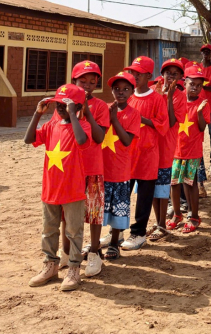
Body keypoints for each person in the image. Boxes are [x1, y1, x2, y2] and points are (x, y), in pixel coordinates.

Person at [25, 84, 91, 291]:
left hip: (73, 189)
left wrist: (74, 115)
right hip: (50, 189)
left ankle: (73, 268)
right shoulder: (51, 125)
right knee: (48, 229)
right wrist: (37, 115)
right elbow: (28, 139)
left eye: (66, 105)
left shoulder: (83, 126)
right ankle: (50, 264)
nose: (60, 108)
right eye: (58, 104)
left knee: (74, 230)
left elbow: (82, 141)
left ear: (77, 106)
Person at [50, 61, 108, 277]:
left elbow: (99, 137)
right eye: (82, 81)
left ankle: (94, 253)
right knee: (67, 214)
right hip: (69, 168)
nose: (87, 85)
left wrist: (86, 111)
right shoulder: (62, 105)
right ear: (73, 81)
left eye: (92, 82)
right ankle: (66, 253)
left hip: (92, 166)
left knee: (93, 213)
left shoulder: (100, 106)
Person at [123, 57, 168, 250]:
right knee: (122, 195)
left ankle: (138, 233)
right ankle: (115, 231)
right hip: (127, 155)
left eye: (139, 73)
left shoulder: (157, 99)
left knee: (144, 196)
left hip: (148, 155)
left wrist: (142, 119)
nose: (134, 76)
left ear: (149, 75)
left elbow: (163, 126)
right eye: (132, 72)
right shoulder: (128, 97)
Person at [100, 73, 141, 260]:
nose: (121, 92)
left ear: (132, 91)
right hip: (102, 167)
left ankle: (115, 241)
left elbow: (126, 141)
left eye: (126, 89)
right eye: (117, 89)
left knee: (119, 208)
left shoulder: (134, 114)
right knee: (102, 208)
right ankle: (100, 241)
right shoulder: (103, 109)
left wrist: (114, 119)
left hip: (120, 169)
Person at [169, 64, 210, 233]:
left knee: (190, 183)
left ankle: (194, 216)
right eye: (192, 84)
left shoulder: (203, 103)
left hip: (193, 151)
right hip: (176, 149)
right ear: (184, 82)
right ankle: (177, 214)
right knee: (174, 183)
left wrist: (200, 113)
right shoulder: (177, 99)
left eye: (199, 85)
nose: (196, 88)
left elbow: (202, 128)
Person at [149, 59, 187, 242]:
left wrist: (169, 97)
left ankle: (162, 225)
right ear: (162, 73)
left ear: (180, 77)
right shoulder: (153, 90)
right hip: (149, 144)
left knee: (162, 187)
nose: (171, 76)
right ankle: (158, 222)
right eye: (168, 72)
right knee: (151, 186)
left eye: (175, 73)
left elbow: (171, 122)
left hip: (166, 145)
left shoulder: (180, 96)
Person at [198, 44, 211, 197]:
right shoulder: (198, 67)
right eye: (204, 52)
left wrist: (202, 85)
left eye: (208, 52)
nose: (206, 54)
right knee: (199, 135)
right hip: (198, 108)